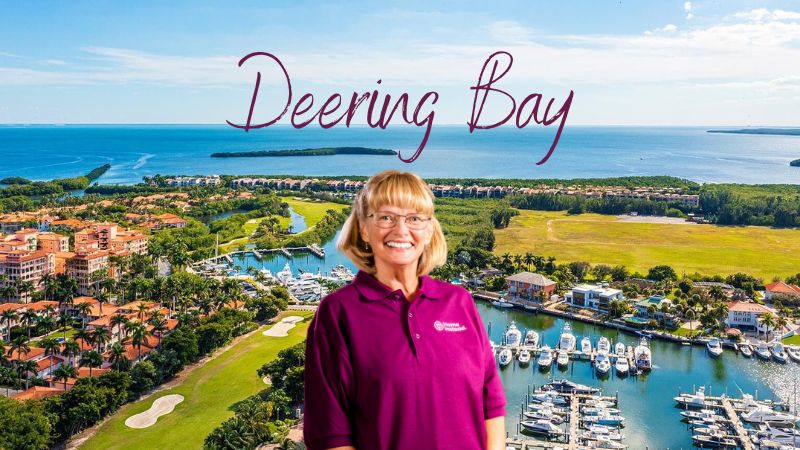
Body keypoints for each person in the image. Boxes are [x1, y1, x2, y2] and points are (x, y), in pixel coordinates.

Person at [304, 170, 506, 450]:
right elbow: (330, 435)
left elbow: (492, 406)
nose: (401, 231)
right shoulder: (338, 313)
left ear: (429, 229)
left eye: (414, 219)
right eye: (386, 217)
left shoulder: (459, 302)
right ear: (364, 228)